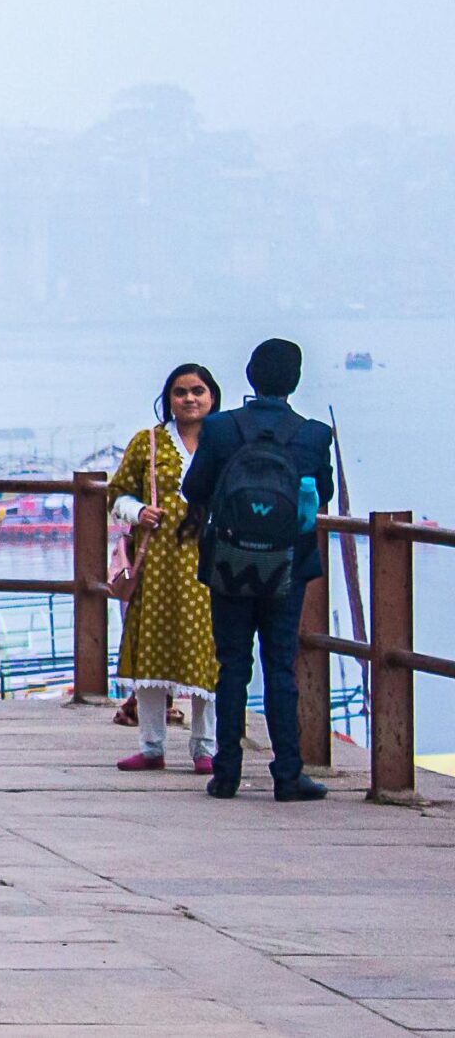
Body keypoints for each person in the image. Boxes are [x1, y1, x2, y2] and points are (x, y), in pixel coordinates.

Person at [179, 338, 333, 803]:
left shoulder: (222, 428)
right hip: (287, 565)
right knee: (280, 666)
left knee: (233, 666)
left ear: (250, 376)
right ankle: (288, 773)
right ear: (296, 380)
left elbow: (194, 488)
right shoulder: (313, 435)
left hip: (229, 563)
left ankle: (225, 773)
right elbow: (320, 496)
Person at [106, 364, 223, 774]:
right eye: (180, 392)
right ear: (168, 398)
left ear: (212, 396)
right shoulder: (148, 443)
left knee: (206, 654)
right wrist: (138, 511)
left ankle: (205, 747)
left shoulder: (225, 441)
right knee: (151, 653)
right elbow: (116, 494)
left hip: (209, 563)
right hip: (156, 566)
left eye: (197, 391)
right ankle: (152, 746)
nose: (189, 399)